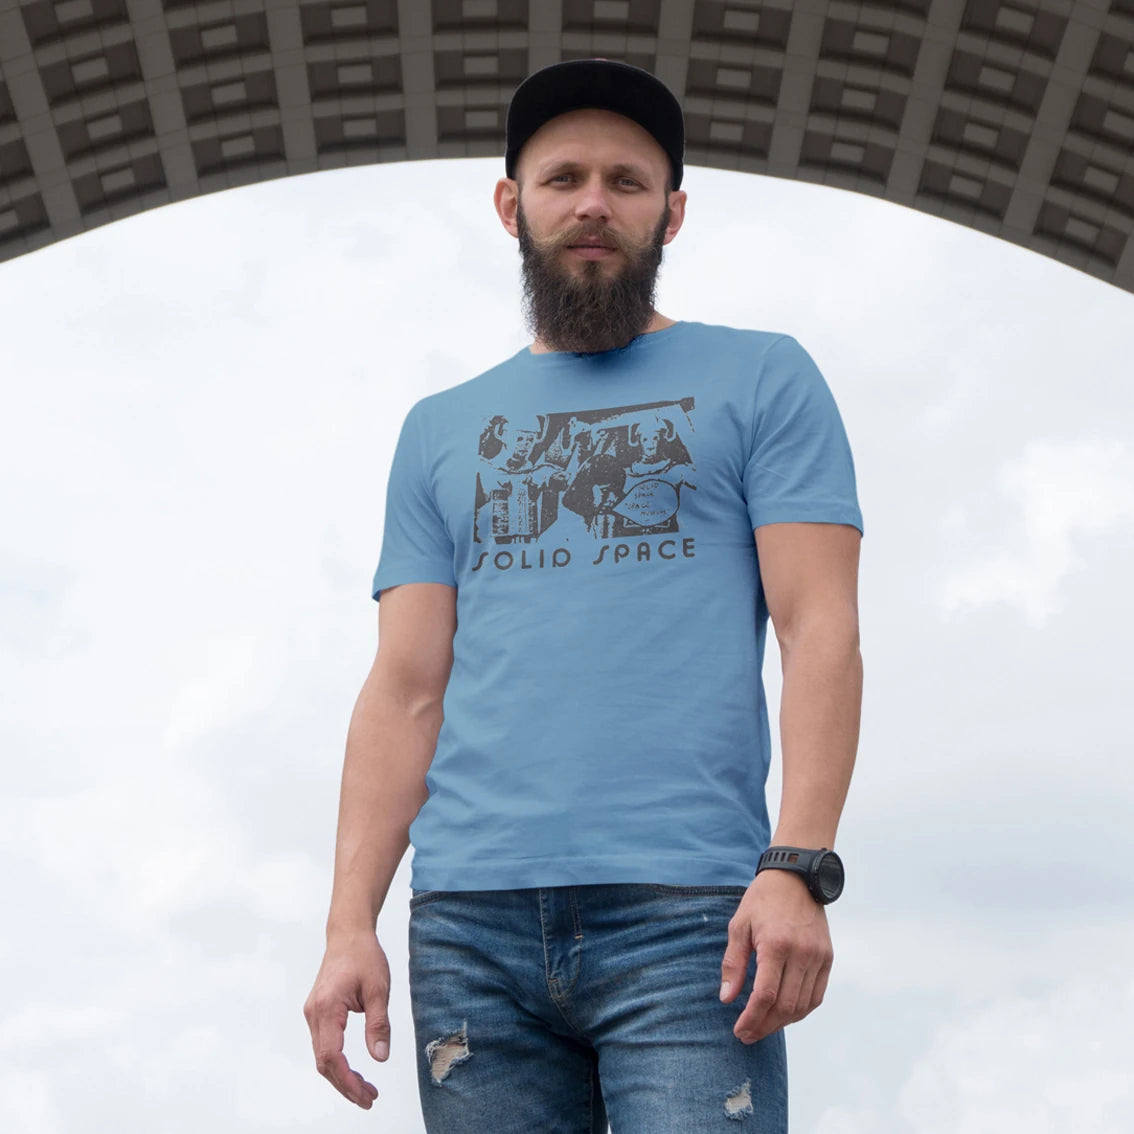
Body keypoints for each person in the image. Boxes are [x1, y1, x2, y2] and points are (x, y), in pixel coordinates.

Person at [303, 58, 864, 1133]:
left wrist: (799, 862)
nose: (594, 203)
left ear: (674, 213)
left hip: (691, 916)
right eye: (563, 179)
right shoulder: (439, 428)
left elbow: (820, 628)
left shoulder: (763, 378)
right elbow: (405, 689)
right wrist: (347, 926)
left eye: (627, 181)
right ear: (512, 205)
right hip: (469, 924)